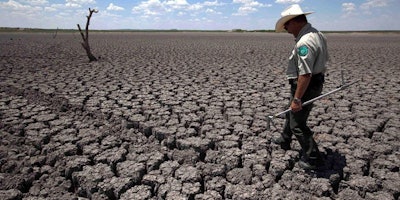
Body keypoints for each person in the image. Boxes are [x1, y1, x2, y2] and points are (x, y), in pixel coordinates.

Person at [273, 4, 329, 170]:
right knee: (290, 111)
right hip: (312, 83)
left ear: (296, 21)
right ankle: (284, 139)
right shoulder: (317, 34)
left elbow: (305, 74)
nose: (286, 28)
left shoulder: (304, 43)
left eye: (287, 24)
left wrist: (297, 98)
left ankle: (314, 158)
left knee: (297, 123)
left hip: (306, 86)